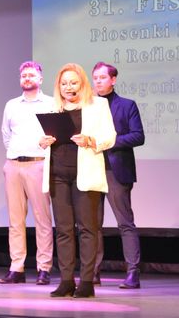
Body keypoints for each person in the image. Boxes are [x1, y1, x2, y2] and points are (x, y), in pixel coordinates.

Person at [40, 63, 116, 298]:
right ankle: (66, 281)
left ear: (82, 83)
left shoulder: (98, 105)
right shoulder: (52, 107)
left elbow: (110, 137)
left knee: (87, 229)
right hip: (57, 174)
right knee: (63, 230)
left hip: (85, 174)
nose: (68, 87)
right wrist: (42, 141)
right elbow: (42, 137)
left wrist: (90, 141)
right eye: (64, 83)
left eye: (73, 82)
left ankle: (86, 281)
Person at [0, 61, 54, 285]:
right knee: (15, 220)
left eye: (31, 75)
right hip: (14, 165)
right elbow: (6, 134)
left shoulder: (51, 103)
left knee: (42, 218)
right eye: (24, 75)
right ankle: (17, 267)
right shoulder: (11, 105)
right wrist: (15, 153)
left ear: (40, 79)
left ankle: (44, 268)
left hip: (38, 164)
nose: (27, 78)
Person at [91, 61, 145, 289]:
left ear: (113, 80)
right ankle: (92, 272)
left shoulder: (126, 105)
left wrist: (110, 142)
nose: (98, 82)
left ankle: (132, 272)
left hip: (116, 170)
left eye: (102, 77)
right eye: (95, 78)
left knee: (124, 223)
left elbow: (138, 136)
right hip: (92, 169)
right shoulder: (89, 106)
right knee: (92, 225)